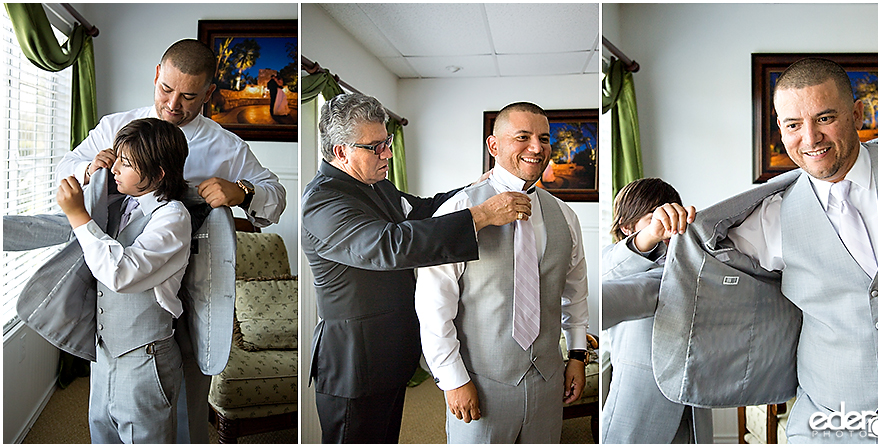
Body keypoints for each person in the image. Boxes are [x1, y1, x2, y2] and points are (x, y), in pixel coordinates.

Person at [607, 58, 878, 443]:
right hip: (831, 425)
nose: (810, 139)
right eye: (794, 125)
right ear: (781, 128)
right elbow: (683, 276)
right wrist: (644, 242)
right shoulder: (770, 216)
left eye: (825, 118)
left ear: (857, 113)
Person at [55, 38, 287, 444]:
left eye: (189, 96)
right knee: (112, 398)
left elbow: (276, 196)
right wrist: (91, 166)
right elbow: (66, 166)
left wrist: (243, 191)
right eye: (166, 89)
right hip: (120, 288)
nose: (173, 104)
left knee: (185, 401)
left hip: (196, 290)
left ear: (209, 94)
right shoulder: (115, 128)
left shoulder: (226, 146)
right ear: (156, 75)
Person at [302, 93, 532, 443]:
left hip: (389, 355)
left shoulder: (374, 184)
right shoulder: (322, 201)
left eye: (388, 142)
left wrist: (474, 189)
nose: (389, 155)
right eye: (376, 147)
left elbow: (421, 209)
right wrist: (482, 215)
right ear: (341, 152)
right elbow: (389, 244)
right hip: (354, 363)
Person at [414, 102, 590, 443]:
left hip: (547, 381)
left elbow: (575, 294)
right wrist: (453, 379)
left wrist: (578, 356)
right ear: (494, 146)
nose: (537, 148)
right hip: (480, 384)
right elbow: (434, 306)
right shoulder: (457, 211)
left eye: (543, 138)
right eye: (522, 137)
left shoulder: (565, 216)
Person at [56, 118, 191, 443]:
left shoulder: (172, 218)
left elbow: (121, 272)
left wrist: (78, 216)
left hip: (145, 359)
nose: (115, 168)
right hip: (106, 352)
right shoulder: (120, 202)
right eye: (117, 157)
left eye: (126, 163)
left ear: (158, 174)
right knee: (102, 432)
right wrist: (93, 177)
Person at [601, 178, 712, 443]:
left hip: (692, 408)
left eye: (673, 217)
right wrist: (650, 234)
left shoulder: (696, 264)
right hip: (639, 411)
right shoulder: (618, 260)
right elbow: (607, 276)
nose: (667, 228)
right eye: (653, 219)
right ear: (628, 227)